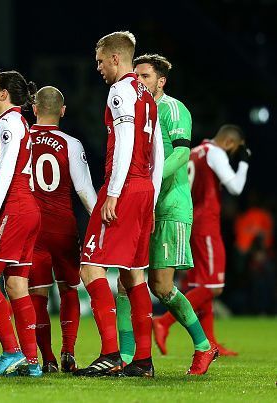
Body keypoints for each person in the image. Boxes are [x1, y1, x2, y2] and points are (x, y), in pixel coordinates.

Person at [113, 54, 219, 375]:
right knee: (125, 282)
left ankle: (204, 346)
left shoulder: (174, 109)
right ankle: (128, 358)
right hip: (142, 204)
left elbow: (182, 154)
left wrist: (151, 181)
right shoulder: (134, 110)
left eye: (146, 76)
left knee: (161, 286)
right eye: (137, 76)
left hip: (170, 206)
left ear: (161, 81)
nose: (140, 81)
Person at [73, 32, 164, 378]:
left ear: (114, 58)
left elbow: (125, 141)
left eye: (99, 60)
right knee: (133, 275)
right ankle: (142, 360)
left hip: (124, 188)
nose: (97, 68)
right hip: (143, 190)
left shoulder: (120, 90)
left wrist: (113, 192)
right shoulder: (148, 96)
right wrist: (151, 201)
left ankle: (110, 353)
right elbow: (157, 152)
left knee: (90, 267)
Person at [155, 124, 250, 357]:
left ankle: (211, 342)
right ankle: (163, 322)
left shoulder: (197, 151)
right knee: (213, 287)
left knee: (201, 284)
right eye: (234, 149)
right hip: (206, 223)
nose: (232, 154)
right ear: (228, 142)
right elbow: (235, 188)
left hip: (191, 218)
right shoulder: (215, 152)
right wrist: (245, 163)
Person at [0, 70, 42, 377]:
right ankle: (31, 361)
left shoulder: (11, 123)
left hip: (13, 207)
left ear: (4, 94)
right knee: (15, 284)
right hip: (25, 208)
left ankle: (12, 352)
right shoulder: (4, 123)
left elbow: (6, 171)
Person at [28, 86, 97, 373]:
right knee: (69, 289)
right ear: (63, 111)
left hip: (32, 227)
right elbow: (83, 190)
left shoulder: (21, 138)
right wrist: (102, 220)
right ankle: (68, 352)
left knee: (37, 294)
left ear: (34, 109)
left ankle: (47, 359)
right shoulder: (71, 143)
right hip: (63, 226)